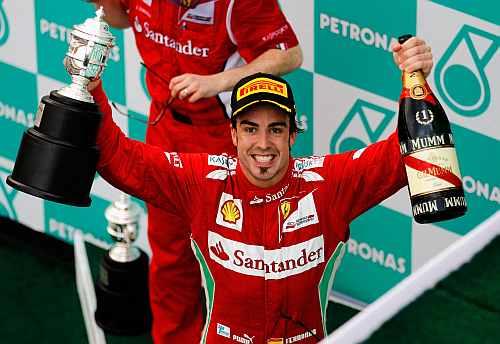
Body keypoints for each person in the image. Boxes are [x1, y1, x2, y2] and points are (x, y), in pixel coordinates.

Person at [89, 35, 434, 342]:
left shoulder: (328, 184)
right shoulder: (203, 183)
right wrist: (91, 88)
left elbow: (409, 150)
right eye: (251, 129)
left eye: (276, 129)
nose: (263, 144)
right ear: (234, 135)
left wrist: (414, 79)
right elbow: (122, 161)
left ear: (293, 135)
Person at [87, 0, 303, 342]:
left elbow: (289, 54)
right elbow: (122, 18)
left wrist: (217, 82)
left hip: (224, 139)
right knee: (170, 254)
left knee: (243, 258)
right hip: (164, 130)